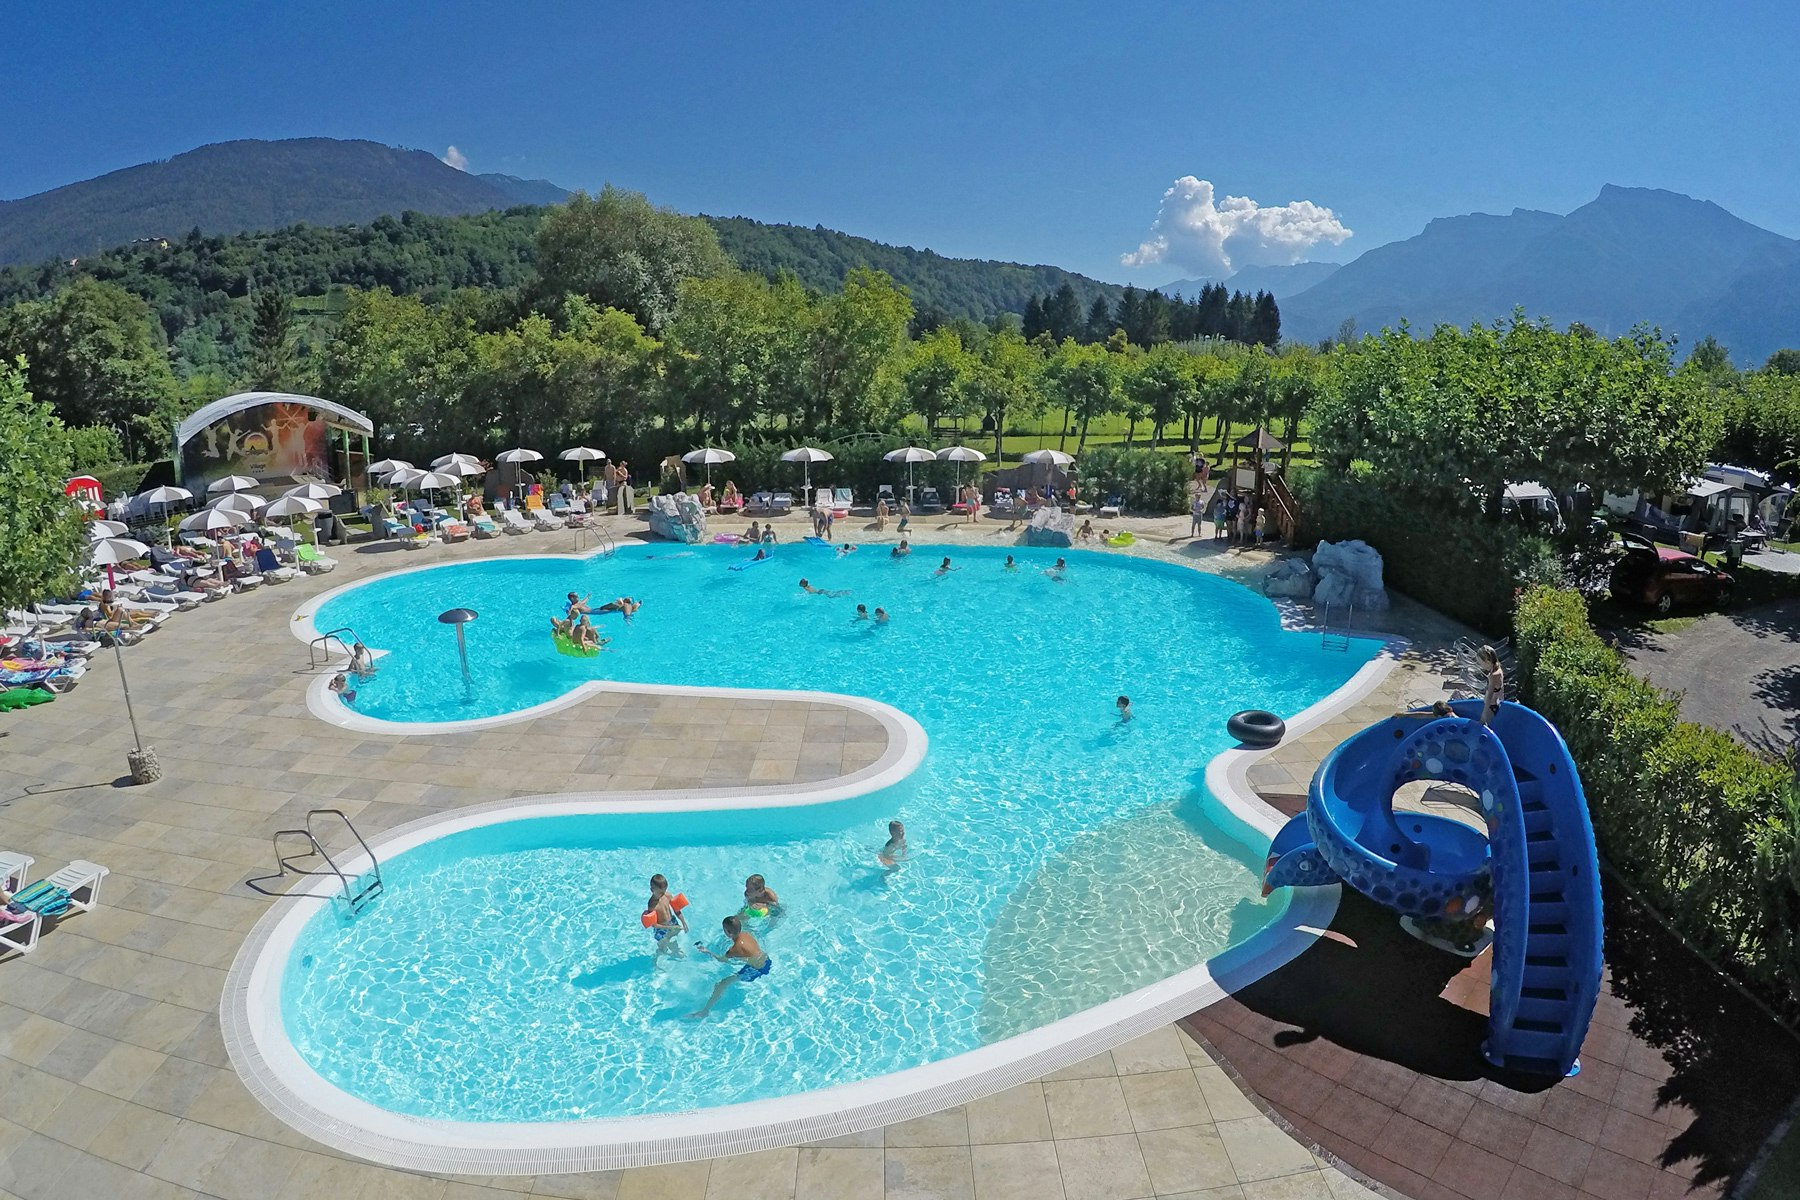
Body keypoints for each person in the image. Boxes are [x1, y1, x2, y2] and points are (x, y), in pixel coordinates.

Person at [686, 915, 772, 1019]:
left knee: (720, 985)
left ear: (728, 932)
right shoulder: (746, 934)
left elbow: (722, 960)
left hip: (756, 970)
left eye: (724, 930)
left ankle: (705, 1012)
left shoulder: (734, 949)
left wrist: (707, 951)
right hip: (767, 960)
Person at [646, 873, 688, 952]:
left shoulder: (667, 895)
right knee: (663, 948)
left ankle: (675, 951)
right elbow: (654, 924)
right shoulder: (652, 904)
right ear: (652, 890)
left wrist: (683, 922)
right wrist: (670, 928)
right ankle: (658, 955)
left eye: (664, 891)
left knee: (674, 941)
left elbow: (676, 910)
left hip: (672, 922)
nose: (663, 894)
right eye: (660, 893)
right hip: (661, 928)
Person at [1477, 645, 1505, 725]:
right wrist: (1502, 699)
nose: (1480, 666)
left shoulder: (1493, 676)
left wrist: (1484, 714)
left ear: (1487, 661)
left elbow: (1489, 696)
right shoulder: (1498, 668)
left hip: (1490, 707)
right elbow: (1501, 688)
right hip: (1494, 705)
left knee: (1482, 726)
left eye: (1481, 663)